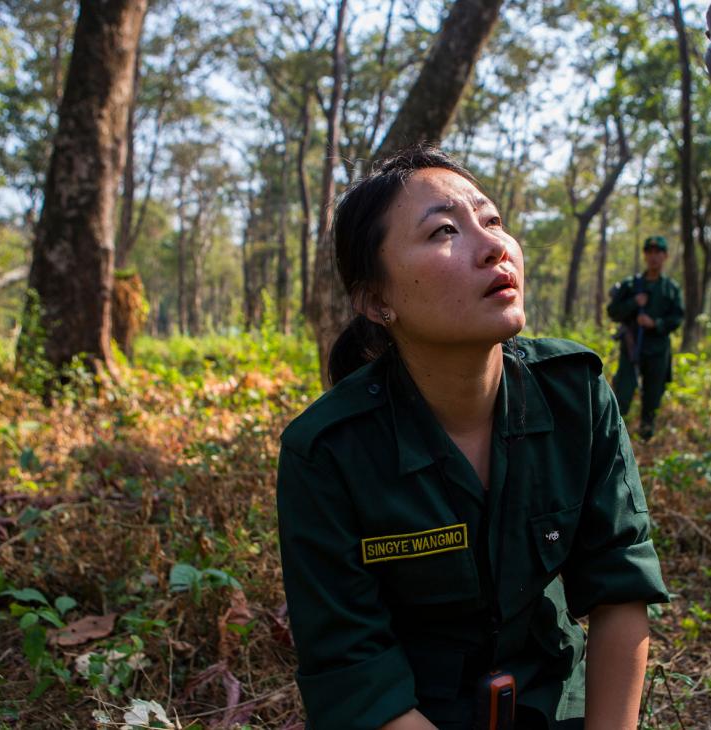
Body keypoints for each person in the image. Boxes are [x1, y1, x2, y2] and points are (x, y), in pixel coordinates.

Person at [276, 147, 669, 730]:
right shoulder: (328, 452)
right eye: (443, 231)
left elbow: (620, 592)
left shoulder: (575, 396)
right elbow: (352, 672)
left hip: (554, 702)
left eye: (492, 221)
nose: (493, 247)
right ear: (375, 300)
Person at [606, 237, 684, 440]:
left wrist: (655, 324)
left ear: (665, 256)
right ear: (645, 255)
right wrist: (633, 303)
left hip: (658, 350)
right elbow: (613, 311)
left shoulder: (671, 288)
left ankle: (645, 438)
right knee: (622, 393)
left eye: (658, 252)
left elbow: (677, 318)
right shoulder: (631, 284)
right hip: (632, 348)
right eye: (649, 251)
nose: (653, 256)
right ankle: (613, 439)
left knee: (652, 397)